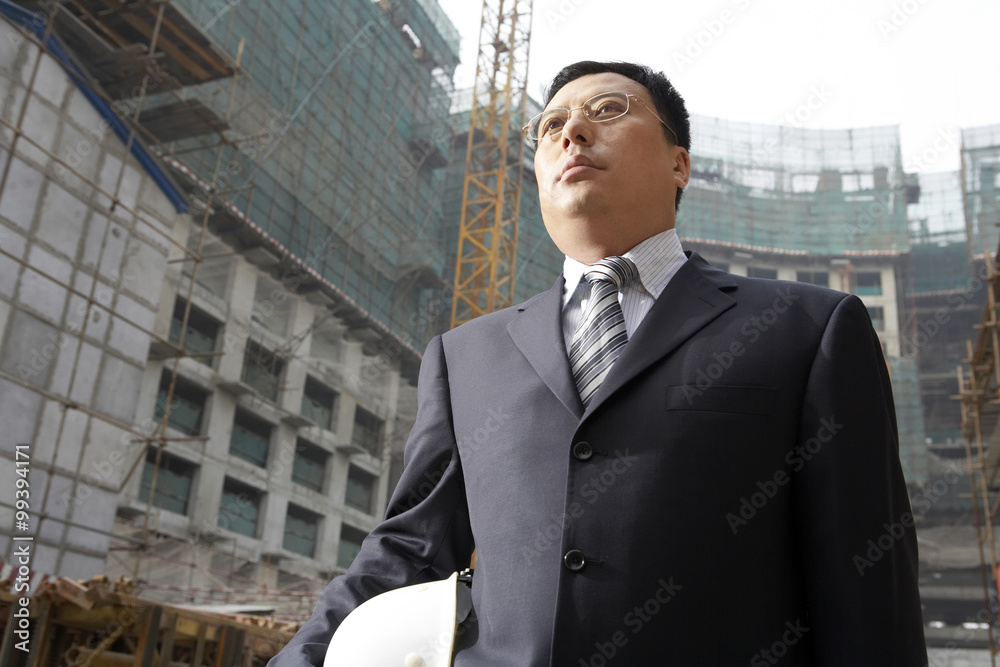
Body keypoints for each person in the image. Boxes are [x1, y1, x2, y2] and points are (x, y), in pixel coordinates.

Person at [270, 60, 927, 665]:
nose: (572, 130)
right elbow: (407, 548)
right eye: (551, 125)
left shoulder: (807, 328)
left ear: (680, 163)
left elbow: (866, 585)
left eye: (608, 110)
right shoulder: (464, 354)